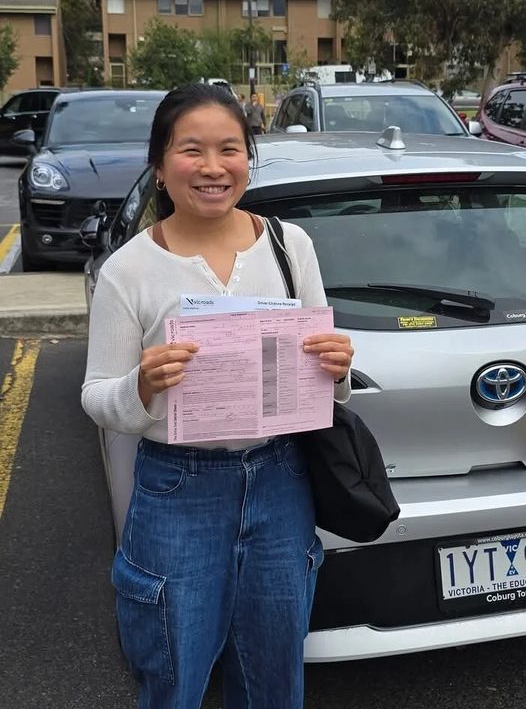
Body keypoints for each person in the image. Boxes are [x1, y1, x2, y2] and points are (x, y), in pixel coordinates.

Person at [81, 82, 353, 709]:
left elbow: (324, 380)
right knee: (174, 681)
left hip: (281, 480)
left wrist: (338, 369)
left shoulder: (290, 246)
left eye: (229, 149)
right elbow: (98, 397)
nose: (212, 167)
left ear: (248, 158)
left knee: (275, 679)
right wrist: (142, 386)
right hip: (178, 489)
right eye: (191, 150)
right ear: (160, 164)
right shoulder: (130, 270)